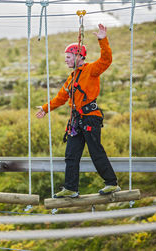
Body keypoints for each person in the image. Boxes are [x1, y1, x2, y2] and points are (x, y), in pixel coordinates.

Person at [35, 24, 120, 198]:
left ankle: (111, 183)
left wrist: (102, 40)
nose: (65, 60)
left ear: (78, 56)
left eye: (68, 57)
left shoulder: (91, 70)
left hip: (90, 118)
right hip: (76, 121)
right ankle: (71, 188)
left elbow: (106, 60)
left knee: (96, 151)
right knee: (71, 155)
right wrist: (45, 108)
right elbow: (61, 98)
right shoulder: (71, 78)